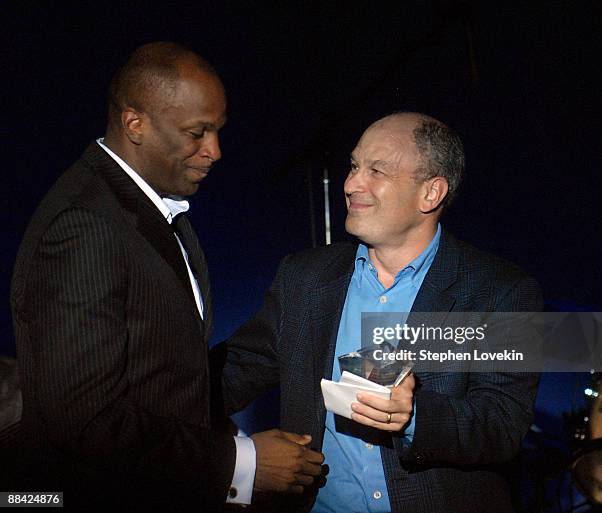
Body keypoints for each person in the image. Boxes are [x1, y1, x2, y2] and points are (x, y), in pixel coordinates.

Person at [10, 42, 323, 513]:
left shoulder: (148, 208)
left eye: (217, 131)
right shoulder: (85, 225)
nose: (215, 151)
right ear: (135, 123)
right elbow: (84, 419)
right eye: (197, 132)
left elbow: (167, 376)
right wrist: (243, 462)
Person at [220, 112, 543, 512]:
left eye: (377, 170)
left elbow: (502, 424)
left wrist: (414, 417)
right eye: (354, 166)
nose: (352, 183)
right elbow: (234, 371)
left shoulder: (498, 292)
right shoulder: (303, 279)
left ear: (431, 193)